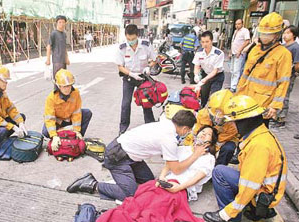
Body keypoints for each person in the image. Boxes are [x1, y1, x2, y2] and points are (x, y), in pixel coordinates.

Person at [66, 110, 209, 201]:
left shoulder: (165, 124)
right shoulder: (169, 138)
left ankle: (124, 180)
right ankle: (93, 184)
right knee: (131, 195)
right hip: (117, 157)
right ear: (184, 128)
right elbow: (177, 169)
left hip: (130, 155)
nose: (189, 133)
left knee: (149, 184)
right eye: (189, 130)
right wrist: (196, 155)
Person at [204, 95, 287, 222]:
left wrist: (228, 213)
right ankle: (253, 208)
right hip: (267, 191)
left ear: (244, 121)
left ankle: (232, 219)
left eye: (233, 122)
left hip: (263, 194)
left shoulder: (258, 146)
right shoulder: (260, 135)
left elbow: (250, 185)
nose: (231, 125)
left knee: (219, 172)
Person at [236, 12, 292, 129]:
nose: (265, 36)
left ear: (277, 35)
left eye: (269, 34)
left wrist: (275, 106)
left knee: (257, 136)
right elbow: (245, 75)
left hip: (263, 105)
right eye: (263, 33)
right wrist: (238, 94)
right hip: (247, 101)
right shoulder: (255, 50)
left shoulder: (283, 54)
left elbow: (283, 83)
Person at [115, 24, 157, 135]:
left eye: (133, 39)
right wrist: (131, 74)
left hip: (143, 77)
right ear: (125, 36)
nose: (131, 41)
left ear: (137, 36)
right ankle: (123, 128)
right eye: (128, 39)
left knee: (146, 101)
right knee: (125, 103)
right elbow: (120, 67)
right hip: (129, 77)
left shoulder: (146, 45)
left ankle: (151, 125)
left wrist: (149, 67)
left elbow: (154, 60)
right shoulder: (122, 48)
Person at [158, 125, 218, 201]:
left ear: (210, 142)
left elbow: (197, 179)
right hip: (168, 180)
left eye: (208, 134)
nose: (204, 134)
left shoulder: (209, 159)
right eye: (203, 131)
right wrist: (162, 176)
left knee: (162, 202)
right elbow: (169, 164)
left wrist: (179, 188)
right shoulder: (183, 149)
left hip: (184, 187)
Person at [42, 69, 92, 142]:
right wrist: (54, 136)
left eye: (69, 86)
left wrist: (77, 131)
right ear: (58, 86)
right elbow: (50, 118)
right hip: (59, 122)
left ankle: (76, 138)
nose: (67, 89)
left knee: (87, 113)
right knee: (46, 132)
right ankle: (61, 135)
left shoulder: (75, 93)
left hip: (70, 118)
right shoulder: (51, 98)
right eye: (64, 86)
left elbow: (77, 113)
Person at [194, 89, 238, 166]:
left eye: (221, 119)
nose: (217, 120)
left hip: (223, 140)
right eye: (214, 117)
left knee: (228, 148)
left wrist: (209, 151)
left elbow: (219, 142)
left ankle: (218, 169)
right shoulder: (203, 114)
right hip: (208, 137)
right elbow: (195, 134)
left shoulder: (233, 125)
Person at [273, 25, 299, 129]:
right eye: (284, 33)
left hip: (288, 75)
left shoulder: (295, 47)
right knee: (278, 94)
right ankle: (276, 115)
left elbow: (297, 64)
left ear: (294, 35)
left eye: (288, 33)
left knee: (285, 96)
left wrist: (294, 72)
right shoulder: (283, 46)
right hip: (279, 75)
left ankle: (281, 118)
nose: (285, 35)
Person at [193, 31, 225, 108]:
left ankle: (212, 112)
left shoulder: (219, 53)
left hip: (217, 76)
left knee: (213, 97)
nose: (205, 44)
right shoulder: (199, 52)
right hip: (205, 74)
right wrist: (196, 75)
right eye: (203, 42)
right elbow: (196, 66)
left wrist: (204, 79)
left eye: (207, 41)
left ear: (212, 41)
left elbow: (215, 71)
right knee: (204, 95)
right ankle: (203, 111)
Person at [46, 15, 70, 80]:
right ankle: (56, 90)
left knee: (63, 80)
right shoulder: (54, 33)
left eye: (63, 22)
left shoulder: (64, 34)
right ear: (57, 23)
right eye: (60, 22)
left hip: (63, 60)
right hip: (57, 61)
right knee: (57, 79)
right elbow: (48, 46)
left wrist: (67, 58)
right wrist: (48, 59)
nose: (62, 24)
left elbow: (64, 47)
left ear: (65, 23)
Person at [229, 19, 251, 92]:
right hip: (233, 53)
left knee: (236, 70)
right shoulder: (235, 31)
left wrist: (240, 50)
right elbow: (233, 42)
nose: (237, 26)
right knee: (232, 70)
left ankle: (234, 86)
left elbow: (247, 41)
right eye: (236, 24)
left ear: (242, 24)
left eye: (238, 24)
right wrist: (230, 52)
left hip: (239, 54)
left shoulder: (245, 31)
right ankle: (233, 84)